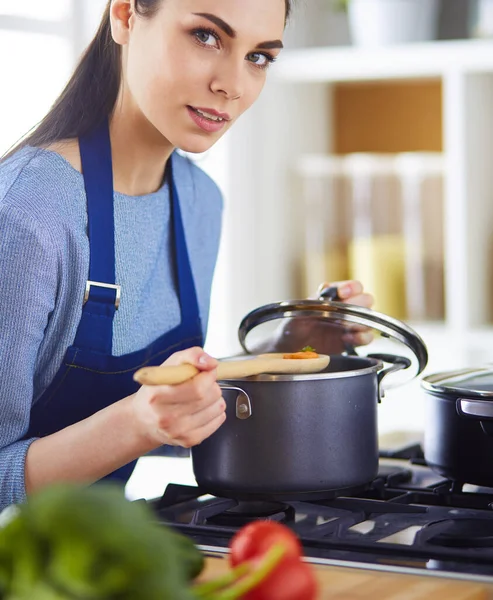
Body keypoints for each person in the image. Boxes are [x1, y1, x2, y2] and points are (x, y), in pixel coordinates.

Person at [0, 0, 373, 512]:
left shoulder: (199, 202)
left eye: (259, 57)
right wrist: (136, 422)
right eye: (206, 36)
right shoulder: (27, 211)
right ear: (126, 15)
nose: (233, 84)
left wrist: (287, 352)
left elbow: (170, 425)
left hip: (102, 557)